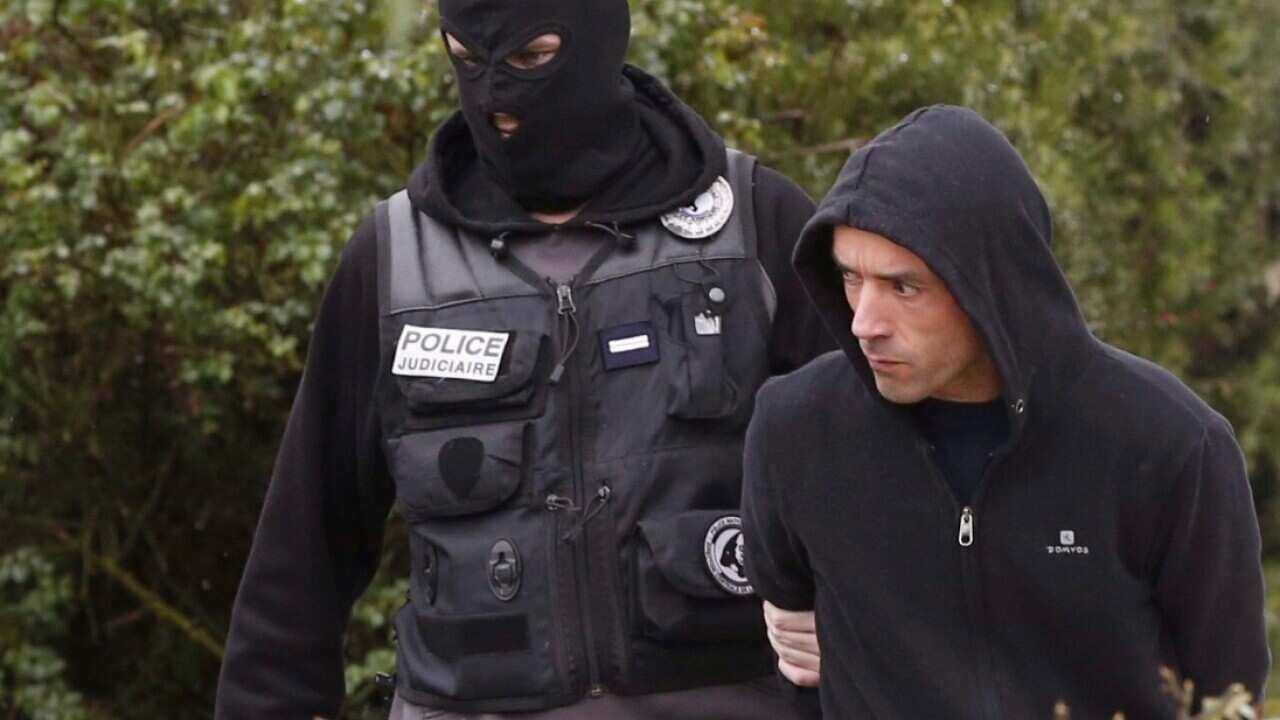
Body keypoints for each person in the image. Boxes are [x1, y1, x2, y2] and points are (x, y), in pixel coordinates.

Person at [213, 0, 832, 717]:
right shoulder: (392, 265)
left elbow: (889, 489)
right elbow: (300, 562)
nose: (495, 98)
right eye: (465, 59)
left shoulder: (754, 229)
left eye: (531, 58)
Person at [743, 105, 1269, 718]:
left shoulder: (1172, 447)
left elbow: (1227, 698)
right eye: (851, 278)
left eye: (903, 287)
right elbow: (791, 654)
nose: (864, 323)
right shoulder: (794, 429)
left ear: (989, 283)